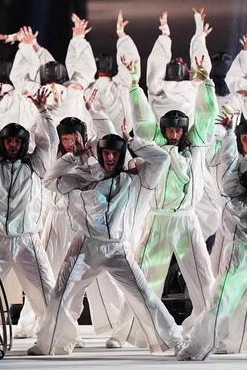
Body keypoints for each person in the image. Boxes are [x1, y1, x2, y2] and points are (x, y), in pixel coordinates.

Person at [29, 80, 184, 356]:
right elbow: (49, 181)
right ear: (99, 154)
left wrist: (133, 141)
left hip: (118, 249)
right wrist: (72, 159)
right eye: (106, 153)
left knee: (146, 297)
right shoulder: (85, 175)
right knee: (62, 294)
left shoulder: (136, 180)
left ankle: (174, 340)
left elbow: (160, 158)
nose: (110, 157)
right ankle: (51, 343)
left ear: (122, 153)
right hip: (85, 247)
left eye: (115, 152)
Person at [123, 56, 217, 339]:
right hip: (160, 220)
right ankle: (132, 330)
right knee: (148, 276)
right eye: (170, 130)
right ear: (164, 130)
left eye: (179, 129)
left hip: (187, 220)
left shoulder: (195, 145)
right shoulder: (157, 148)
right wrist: (134, 84)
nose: (175, 134)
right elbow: (142, 117)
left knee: (203, 277)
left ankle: (209, 327)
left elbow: (206, 114)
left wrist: (204, 81)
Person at [0, 84, 55, 336]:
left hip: (27, 240)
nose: (12, 145)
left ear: (23, 143)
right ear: (2, 143)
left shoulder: (35, 166)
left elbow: (49, 140)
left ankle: (55, 335)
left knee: (46, 291)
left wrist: (43, 111)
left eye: (17, 141)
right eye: (8, 141)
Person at [178, 121, 247, 359]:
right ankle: (197, 347)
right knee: (223, 297)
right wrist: (229, 134)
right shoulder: (235, 168)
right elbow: (230, 188)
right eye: (245, 138)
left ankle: (235, 342)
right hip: (240, 248)